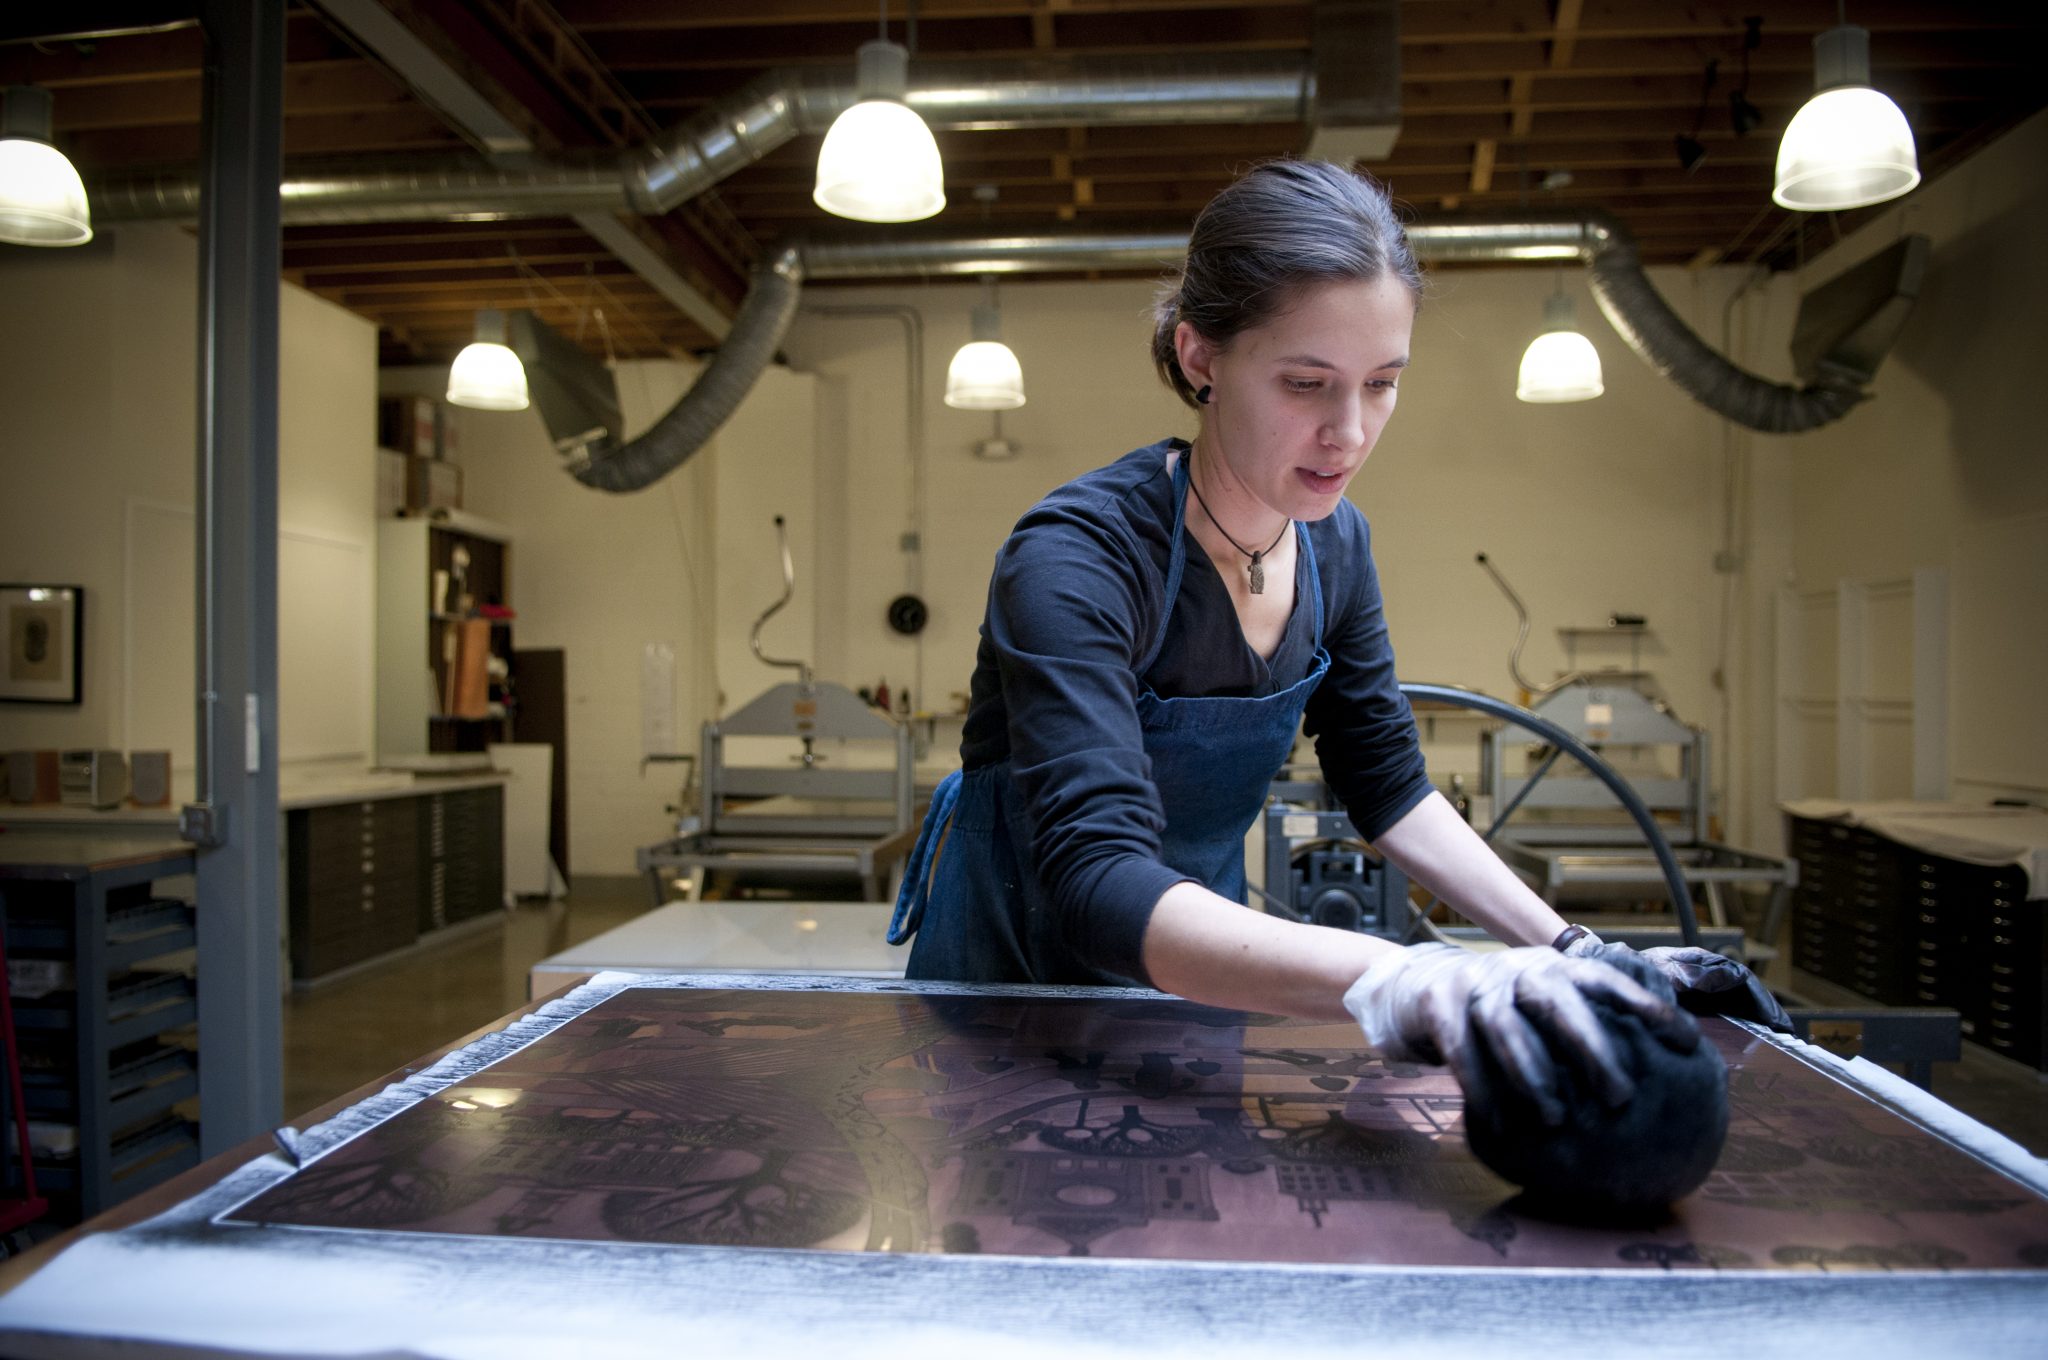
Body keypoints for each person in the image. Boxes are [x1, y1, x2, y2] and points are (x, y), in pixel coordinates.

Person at [889, 159, 1784, 1124]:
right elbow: (1099, 878)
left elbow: (1386, 780)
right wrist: (1399, 977)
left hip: (1204, 976)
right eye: (1307, 383)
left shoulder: (1336, 543)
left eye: (1382, 383)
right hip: (1012, 993)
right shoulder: (1078, 556)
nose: (1348, 433)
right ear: (1200, 358)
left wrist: (1568, 951)